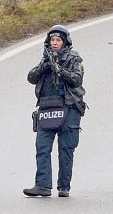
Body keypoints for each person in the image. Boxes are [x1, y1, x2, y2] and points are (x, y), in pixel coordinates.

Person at [23, 25, 87, 197]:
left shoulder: (74, 58)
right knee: (42, 147)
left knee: (66, 149)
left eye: (58, 40)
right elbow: (31, 77)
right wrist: (45, 66)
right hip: (47, 107)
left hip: (69, 107)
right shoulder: (46, 58)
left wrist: (61, 71)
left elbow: (77, 79)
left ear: (65, 41)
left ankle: (64, 186)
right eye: (52, 40)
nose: (55, 43)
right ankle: (43, 185)